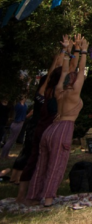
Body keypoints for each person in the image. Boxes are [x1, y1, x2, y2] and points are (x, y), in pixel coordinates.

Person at [26, 34, 90, 206]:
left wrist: (67, 51)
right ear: (75, 80)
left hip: (51, 128)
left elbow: (63, 71)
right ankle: (47, 199)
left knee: (42, 164)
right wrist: (83, 51)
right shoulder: (74, 92)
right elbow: (80, 71)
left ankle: (33, 196)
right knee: (56, 165)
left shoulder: (59, 89)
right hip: (63, 129)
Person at [16, 40, 67, 203]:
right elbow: (57, 71)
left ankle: (29, 194)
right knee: (37, 161)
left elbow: (57, 72)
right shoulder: (50, 93)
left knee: (37, 161)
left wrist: (65, 51)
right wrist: (65, 52)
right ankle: (28, 195)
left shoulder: (49, 92)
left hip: (41, 127)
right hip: (42, 127)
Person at [0, 94, 29, 160]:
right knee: (10, 140)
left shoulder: (22, 105)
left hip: (18, 123)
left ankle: (6, 154)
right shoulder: (20, 106)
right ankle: (3, 155)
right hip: (17, 123)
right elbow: (22, 115)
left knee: (12, 140)